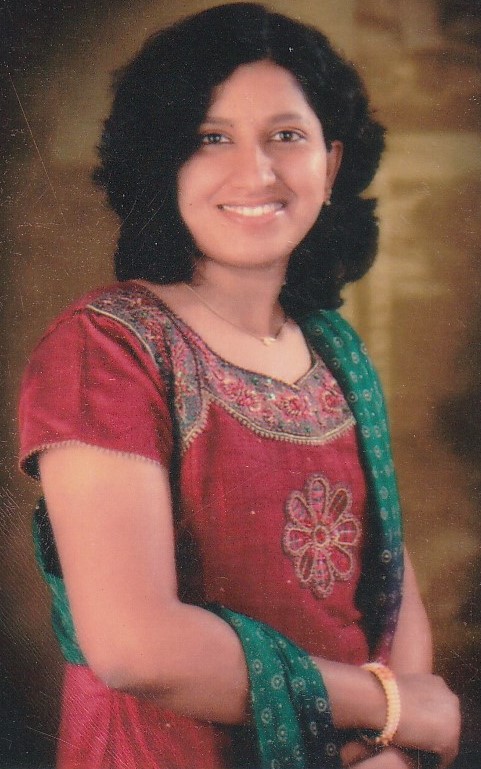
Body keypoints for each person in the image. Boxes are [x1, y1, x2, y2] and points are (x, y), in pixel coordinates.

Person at [18, 4, 460, 768]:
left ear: (331, 162)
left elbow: (391, 602)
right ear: (161, 160)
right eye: (210, 138)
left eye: (285, 135)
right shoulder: (108, 347)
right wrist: (390, 707)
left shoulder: (335, 351)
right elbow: (134, 645)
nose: (256, 173)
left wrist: (390, 750)